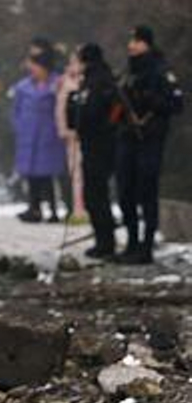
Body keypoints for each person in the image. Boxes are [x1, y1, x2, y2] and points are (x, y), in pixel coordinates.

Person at [114, 25, 184, 264]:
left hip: (150, 138)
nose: (131, 45)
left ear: (147, 43)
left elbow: (176, 105)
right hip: (127, 136)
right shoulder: (128, 71)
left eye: (136, 41)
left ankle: (146, 247)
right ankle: (132, 243)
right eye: (131, 41)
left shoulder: (160, 71)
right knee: (125, 192)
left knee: (147, 191)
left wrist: (148, 99)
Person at [67, 43, 119, 258]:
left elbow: (95, 112)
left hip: (99, 144)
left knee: (96, 194)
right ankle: (102, 239)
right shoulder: (91, 80)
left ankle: (105, 242)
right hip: (92, 143)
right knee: (93, 194)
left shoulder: (98, 82)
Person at [12, 49, 67, 222]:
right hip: (28, 135)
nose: (32, 70)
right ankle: (34, 208)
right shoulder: (23, 87)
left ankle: (53, 209)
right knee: (31, 175)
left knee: (48, 174)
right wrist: (19, 126)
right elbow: (16, 110)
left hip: (49, 134)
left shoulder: (56, 84)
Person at [55, 48, 85, 221]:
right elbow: (60, 108)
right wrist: (63, 129)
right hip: (70, 135)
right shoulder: (64, 81)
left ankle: (82, 209)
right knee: (74, 173)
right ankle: (77, 209)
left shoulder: (85, 81)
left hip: (85, 134)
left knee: (83, 173)